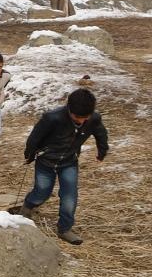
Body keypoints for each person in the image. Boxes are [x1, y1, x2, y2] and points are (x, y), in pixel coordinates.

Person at [20, 88, 109, 245]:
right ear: (69, 108)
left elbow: (101, 134)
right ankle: (28, 206)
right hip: (46, 161)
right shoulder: (52, 118)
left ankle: (65, 228)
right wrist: (30, 154)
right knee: (42, 191)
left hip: (69, 161)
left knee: (70, 196)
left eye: (85, 118)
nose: (81, 121)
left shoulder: (94, 119)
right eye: (77, 117)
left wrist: (102, 151)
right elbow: (34, 138)